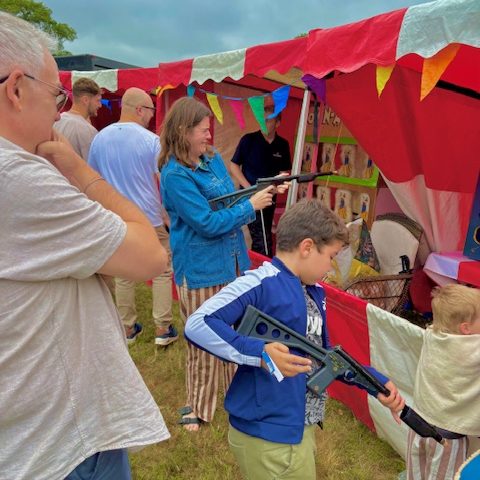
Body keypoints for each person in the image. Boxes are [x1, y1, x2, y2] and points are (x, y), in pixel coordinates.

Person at [0, 12, 170, 480]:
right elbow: (150, 257)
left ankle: (139, 325)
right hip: (59, 445)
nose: (58, 111)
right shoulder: (16, 174)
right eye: (55, 95)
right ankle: (156, 326)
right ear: (16, 89)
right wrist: (77, 169)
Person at [185, 199, 405, 479]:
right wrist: (259, 352)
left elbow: (324, 357)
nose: (331, 267)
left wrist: (374, 383)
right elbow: (198, 323)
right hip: (267, 435)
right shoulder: (259, 282)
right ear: (307, 247)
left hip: (297, 428)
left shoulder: (314, 291)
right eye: (331, 256)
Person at [159, 96, 285, 431]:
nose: (208, 136)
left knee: (233, 335)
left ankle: (235, 397)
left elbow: (230, 198)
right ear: (183, 131)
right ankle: (198, 408)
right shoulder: (174, 175)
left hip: (231, 262)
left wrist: (268, 188)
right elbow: (207, 223)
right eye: (202, 130)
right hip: (201, 269)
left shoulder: (212, 159)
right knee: (203, 339)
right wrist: (251, 208)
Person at [88, 87, 177, 346]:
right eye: (150, 110)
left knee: (123, 272)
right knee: (162, 269)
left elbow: (95, 179)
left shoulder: (100, 138)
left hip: (116, 216)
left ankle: (127, 329)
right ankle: (162, 328)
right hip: (149, 216)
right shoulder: (151, 141)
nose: (152, 115)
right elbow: (164, 181)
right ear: (139, 110)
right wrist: (168, 213)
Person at [406, 283, 480, 480]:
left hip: (417, 425)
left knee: (416, 475)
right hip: (447, 438)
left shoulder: (433, 335)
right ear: (465, 328)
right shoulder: (473, 348)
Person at [230, 103, 291, 256]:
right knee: (261, 238)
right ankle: (262, 265)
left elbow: (284, 172)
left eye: (268, 120)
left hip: (270, 196)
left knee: (265, 233)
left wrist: (277, 187)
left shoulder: (282, 145)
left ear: (277, 123)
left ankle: (260, 265)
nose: (264, 123)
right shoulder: (248, 140)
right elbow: (234, 165)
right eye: (261, 120)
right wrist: (248, 187)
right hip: (249, 197)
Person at [55, 77, 102, 160]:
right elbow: (92, 166)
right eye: (98, 100)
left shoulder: (55, 121)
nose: (100, 105)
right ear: (85, 100)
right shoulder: (88, 131)